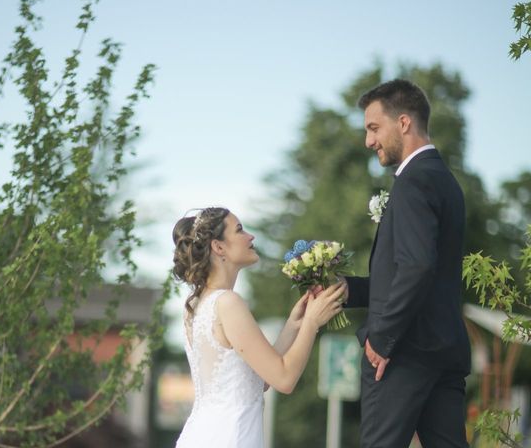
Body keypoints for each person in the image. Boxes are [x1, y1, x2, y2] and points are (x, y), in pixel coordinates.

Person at [343, 79, 471, 447]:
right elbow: (418, 271)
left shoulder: (413, 181)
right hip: (443, 349)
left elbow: (417, 267)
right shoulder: (444, 180)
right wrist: (348, 289)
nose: (369, 141)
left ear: (403, 122)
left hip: (403, 353)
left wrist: (381, 339)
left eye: (373, 128)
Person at [172, 207, 345, 448]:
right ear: (218, 247)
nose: (250, 237)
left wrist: (293, 326)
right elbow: (284, 379)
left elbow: (258, 380)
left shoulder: (198, 305)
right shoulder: (228, 303)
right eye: (240, 230)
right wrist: (312, 323)